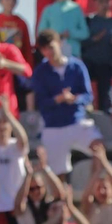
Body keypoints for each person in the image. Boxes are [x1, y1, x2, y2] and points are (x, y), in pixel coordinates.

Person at [30, 31, 98, 175]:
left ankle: (91, 192)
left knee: (99, 151)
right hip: (53, 126)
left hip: (77, 121)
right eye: (44, 49)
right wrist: (58, 99)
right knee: (57, 175)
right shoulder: (40, 72)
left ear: (59, 43)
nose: (48, 52)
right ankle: (63, 197)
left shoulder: (77, 66)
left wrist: (75, 99)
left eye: (51, 47)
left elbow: (88, 95)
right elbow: (41, 102)